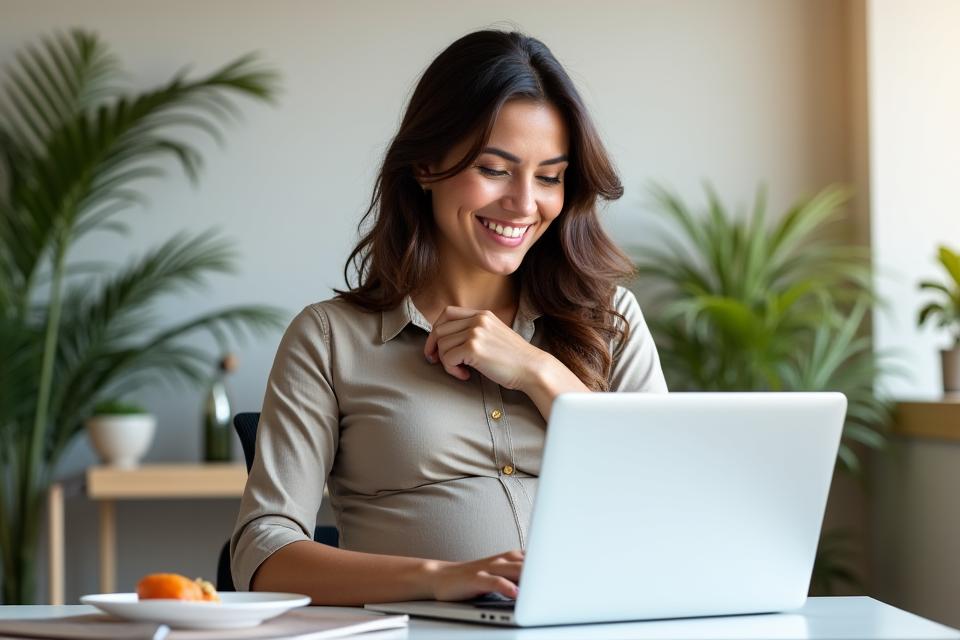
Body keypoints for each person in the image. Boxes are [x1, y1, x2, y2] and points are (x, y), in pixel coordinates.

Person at [230, 28, 667, 606]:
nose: (524, 203)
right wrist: (440, 580)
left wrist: (538, 372)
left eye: (550, 176)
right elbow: (263, 550)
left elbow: (669, 501)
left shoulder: (612, 319)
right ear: (426, 165)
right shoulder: (330, 338)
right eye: (494, 168)